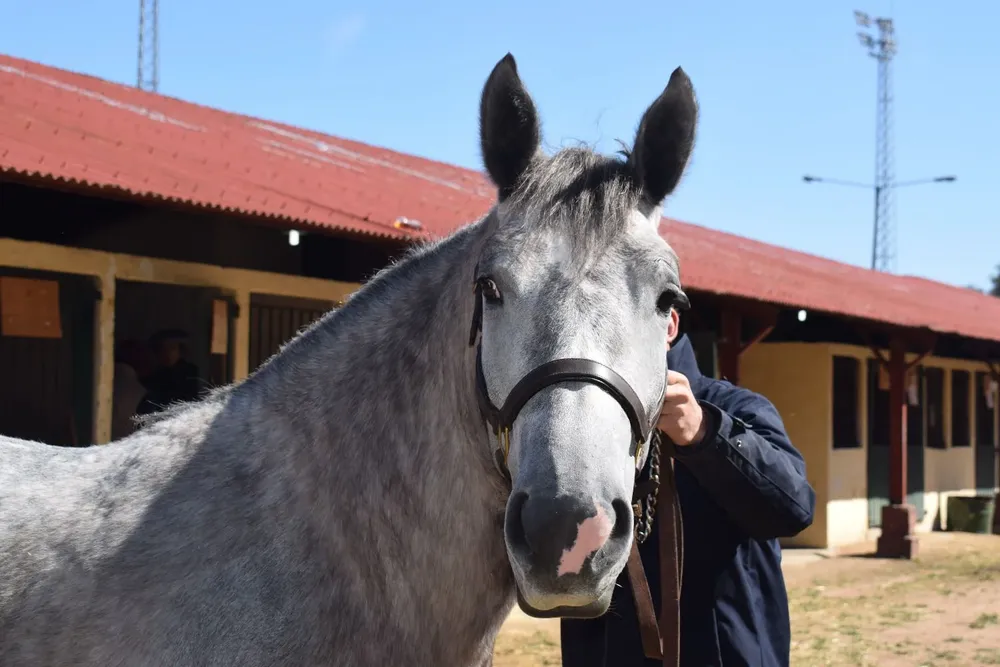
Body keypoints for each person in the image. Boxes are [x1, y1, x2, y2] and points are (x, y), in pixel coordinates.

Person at [560, 307, 816, 667]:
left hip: (726, 653)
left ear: (669, 325)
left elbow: (795, 508)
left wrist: (705, 433)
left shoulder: (738, 408)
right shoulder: (579, 424)